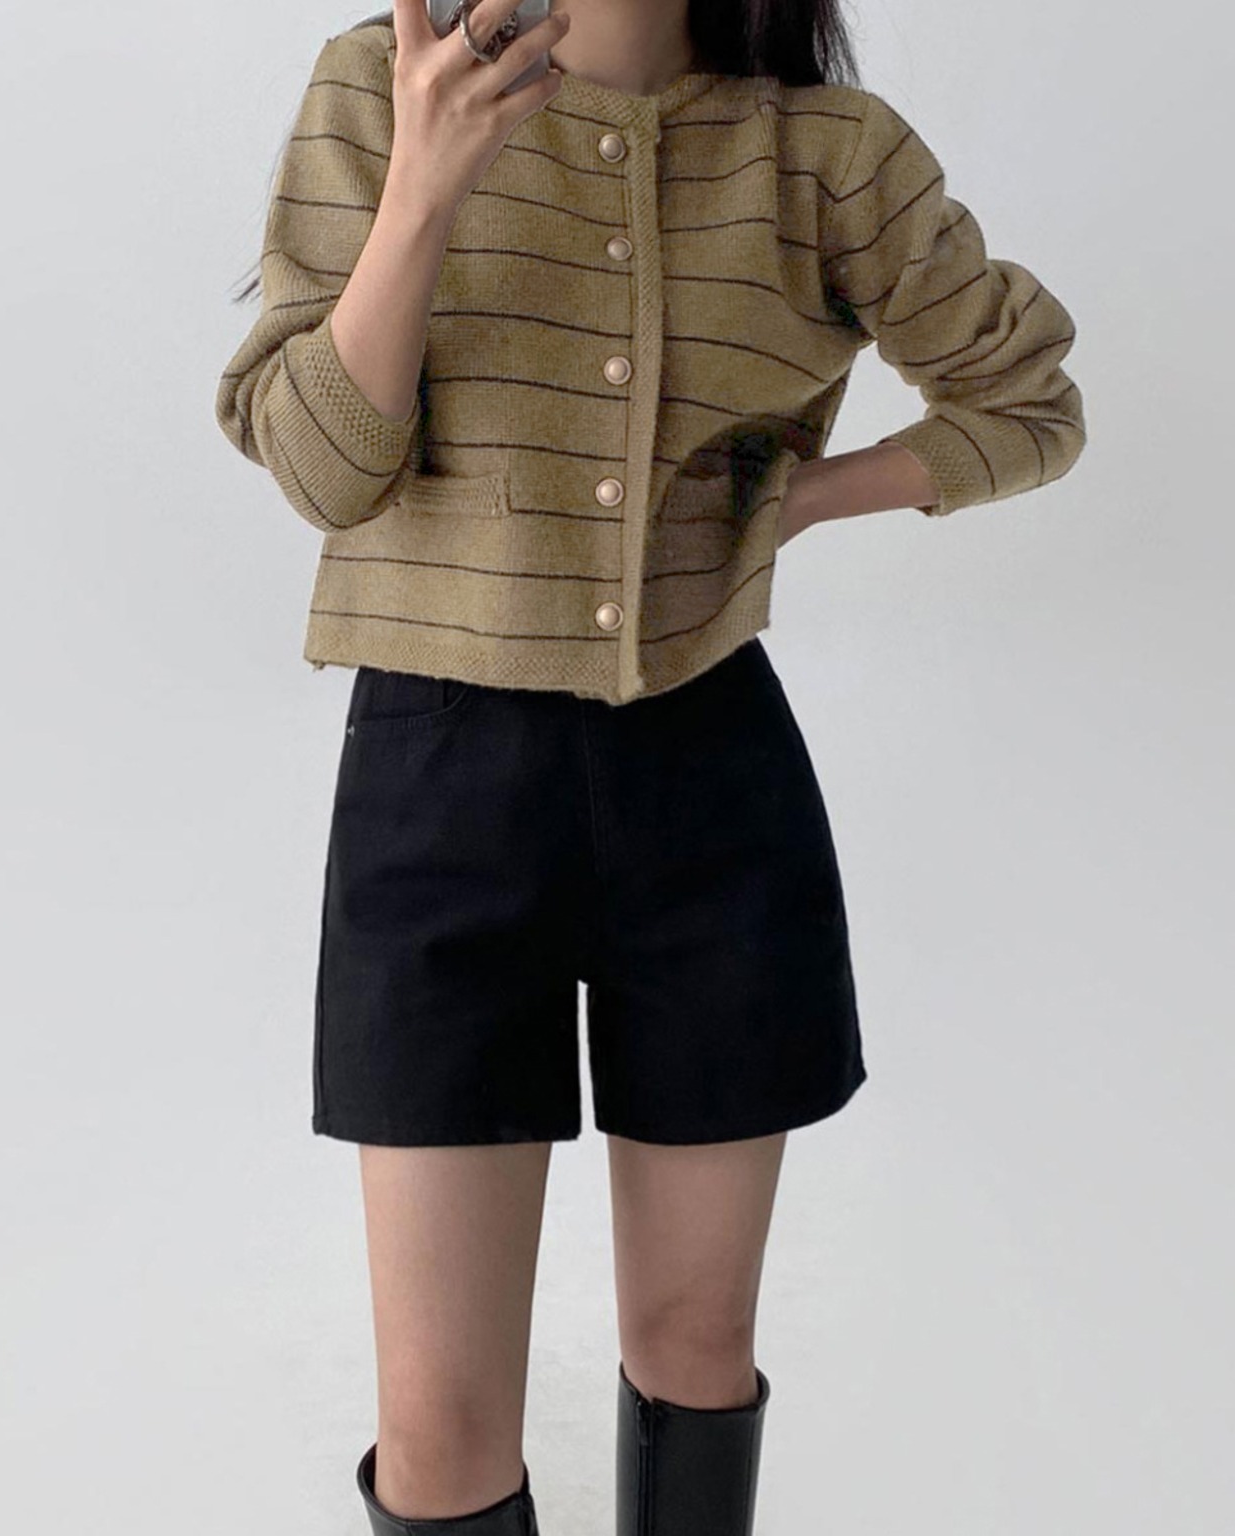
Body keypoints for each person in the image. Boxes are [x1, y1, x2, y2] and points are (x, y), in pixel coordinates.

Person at [213, 2, 1087, 1532]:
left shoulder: (822, 153)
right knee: (440, 1430)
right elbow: (323, 467)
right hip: (440, 779)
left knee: (695, 1347)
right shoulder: (386, 86)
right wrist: (423, 186)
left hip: (710, 780)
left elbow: (1030, 406)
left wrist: (799, 499)